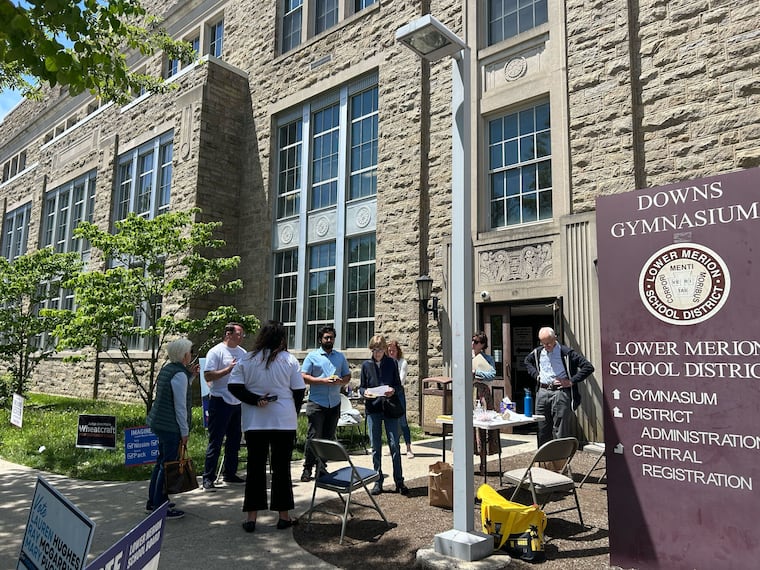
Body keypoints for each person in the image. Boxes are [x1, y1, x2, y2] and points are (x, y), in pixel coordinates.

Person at [228, 320, 306, 533]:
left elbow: (234, 386)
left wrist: (254, 400)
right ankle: (283, 516)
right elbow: (299, 391)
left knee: (255, 468)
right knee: (282, 469)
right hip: (283, 420)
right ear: (282, 338)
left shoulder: (247, 359)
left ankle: (251, 518)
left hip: (255, 422)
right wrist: (293, 412)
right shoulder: (289, 360)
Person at [146, 337, 199, 520]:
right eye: (189, 352)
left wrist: (190, 376)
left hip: (159, 423)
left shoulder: (169, 369)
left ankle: (153, 500)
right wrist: (184, 432)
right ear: (184, 354)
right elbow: (180, 405)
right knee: (167, 465)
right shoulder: (178, 374)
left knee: (161, 462)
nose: (191, 355)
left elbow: (175, 392)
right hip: (170, 426)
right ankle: (160, 504)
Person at [524, 326, 594, 446]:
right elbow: (527, 361)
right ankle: (544, 461)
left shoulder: (566, 353)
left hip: (560, 393)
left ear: (555, 338)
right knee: (542, 428)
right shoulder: (538, 352)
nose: (547, 346)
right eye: (543, 343)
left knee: (560, 429)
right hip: (543, 391)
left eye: (549, 343)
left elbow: (588, 367)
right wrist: (536, 375)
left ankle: (561, 461)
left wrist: (571, 381)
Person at [300, 325, 351, 482]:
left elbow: (347, 376)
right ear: (320, 339)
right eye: (326, 338)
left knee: (328, 438)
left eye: (331, 337)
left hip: (334, 404)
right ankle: (307, 468)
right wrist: (322, 381)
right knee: (314, 437)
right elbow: (303, 376)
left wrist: (340, 381)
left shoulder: (340, 357)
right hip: (317, 403)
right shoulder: (313, 356)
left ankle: (321, 467)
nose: (329, 340)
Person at [360, 335, 409, 496]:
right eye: (374, 350)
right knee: (376, 446)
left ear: (385, 349)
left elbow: (398, 385)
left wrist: (393, 390)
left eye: (380, 350)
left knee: (394, 445)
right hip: (373, 409)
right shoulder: (366, 365)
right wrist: (364, 392)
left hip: (390, 408)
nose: (377, 353)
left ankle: (399, 481)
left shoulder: (392, 363)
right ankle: (377, 480)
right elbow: (361, 387)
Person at [202, 322, 247, 491]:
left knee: (234, 441)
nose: (242, 337)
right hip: (220, 400)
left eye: (242, 334)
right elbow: (208, 375)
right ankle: (208, 477)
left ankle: (230, 473)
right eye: (239, 334)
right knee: (216, 440)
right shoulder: (216, 352)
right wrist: (228, 369)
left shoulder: (243, 353)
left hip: (237, 401)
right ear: (228, 334)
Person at [471, 331, 499, 465]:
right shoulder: (467, 356)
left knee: (482, 426)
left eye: (476, 342)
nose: (472, 344)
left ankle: (483, 462)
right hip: (469, 391)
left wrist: (477, 372)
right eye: (472, 341)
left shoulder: (488, 359)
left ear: (482, 345)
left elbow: (492, 375)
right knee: (469, 426)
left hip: (482, 392)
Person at [387, 340, 413, 458]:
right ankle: (392, 446)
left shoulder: (402, 362)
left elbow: (401, 380)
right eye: (389, 351)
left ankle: (408, 447)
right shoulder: (385, 362)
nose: (391, 352)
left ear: (398, 351)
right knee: (390, 421)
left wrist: (391, 387)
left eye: (393, 350)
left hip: (398, 393)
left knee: (402, 421)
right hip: (387, 394)